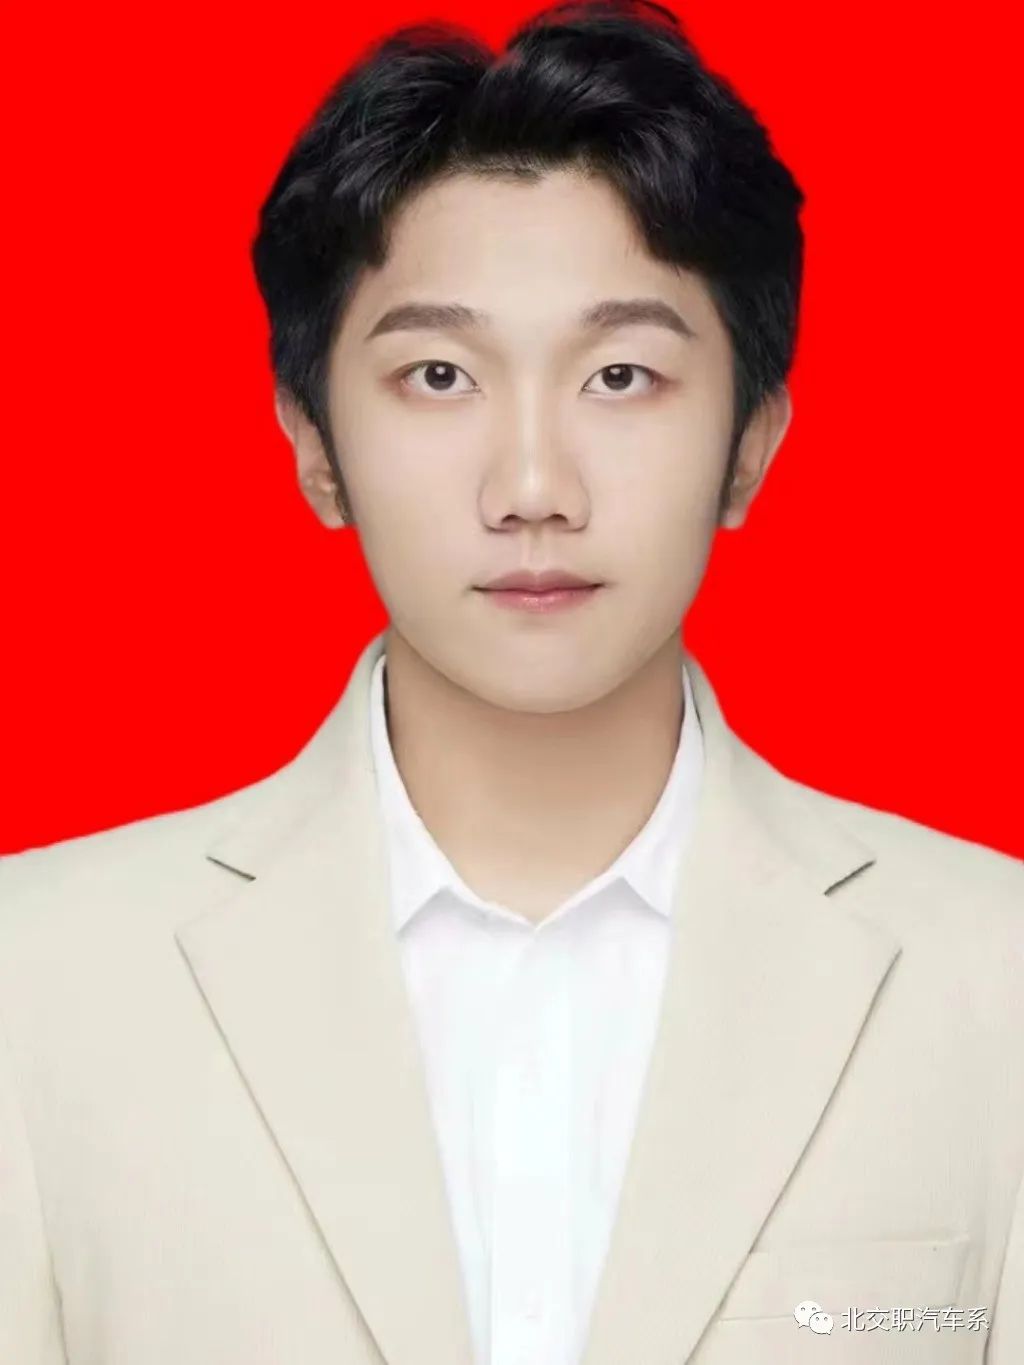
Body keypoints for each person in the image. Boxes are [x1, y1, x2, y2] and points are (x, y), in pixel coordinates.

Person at [1, 1, 1021, 1361]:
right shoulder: (39, 979)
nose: (533, 486)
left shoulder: (990, 976)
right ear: (313, 444)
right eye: (439, 375)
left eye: (622, 374)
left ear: (751, 444)